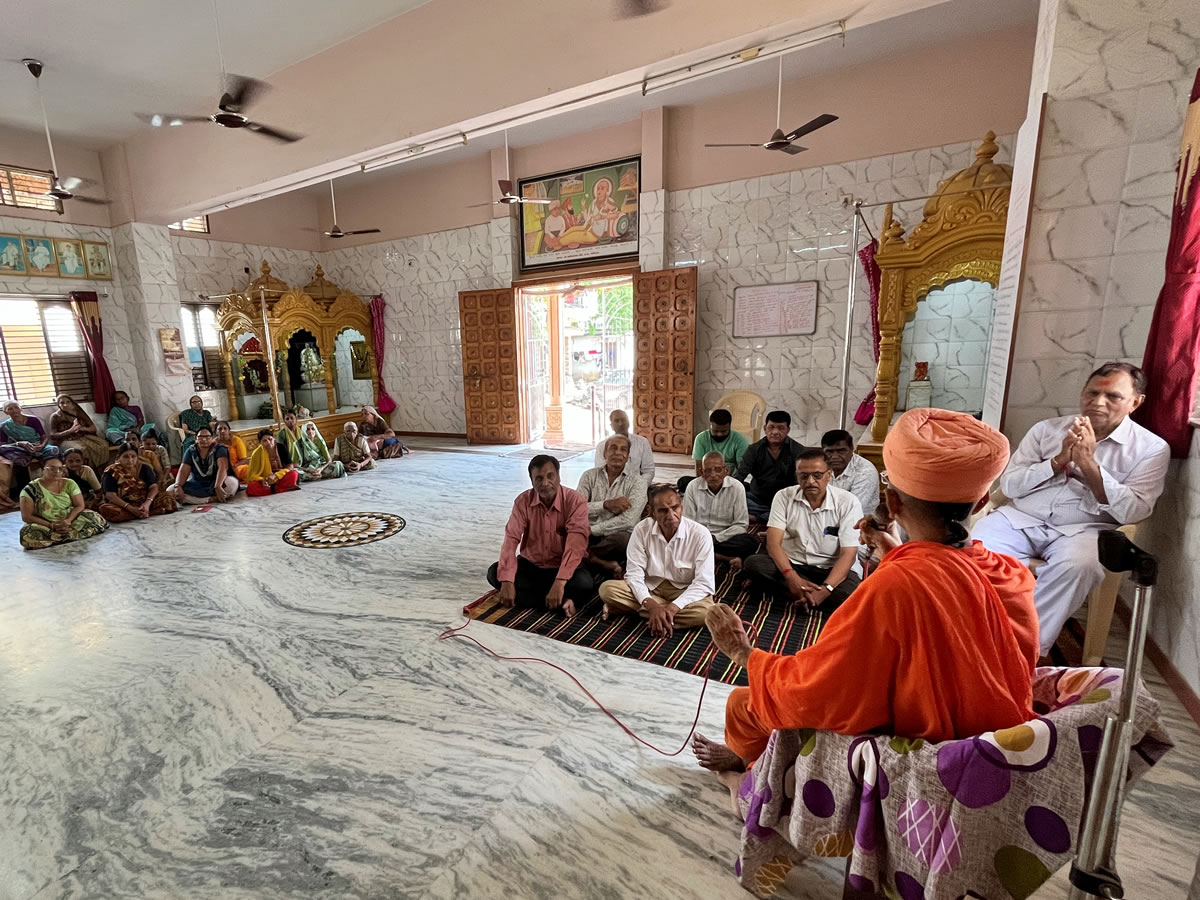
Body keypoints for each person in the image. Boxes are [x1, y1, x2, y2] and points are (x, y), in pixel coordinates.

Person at [693, 408, 1039, 783]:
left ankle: (746, 775)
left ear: (892, 503)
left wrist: (744, 653)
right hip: (998, 737)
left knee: (744, 703)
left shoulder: (891, 587)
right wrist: (892, 549)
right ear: (983, 499)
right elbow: (946, 584)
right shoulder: (1010, 574)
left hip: (931, 749)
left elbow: (817, 690)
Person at [973, 362, 1170, 653]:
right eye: (1091, 393)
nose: (1097, 403)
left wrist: (1090, 465)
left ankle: (1022, 649)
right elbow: (1011, 486)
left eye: (1113, 397)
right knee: (972, 551)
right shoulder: (1046, 431)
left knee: (1079, 566)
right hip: (1020, 518)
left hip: (1086, 530)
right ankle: (974, 633)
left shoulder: (1151, 449)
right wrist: (1057, 462)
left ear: (1135, 402)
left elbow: (1134, 511)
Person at [743, 449, 863, 611]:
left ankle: (800, 594)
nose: (810, 481)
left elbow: (848, 554)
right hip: (793, 564)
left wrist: (826, 590)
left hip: (829, 568)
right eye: (803, 476)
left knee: (850, 595)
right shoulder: (783, 497)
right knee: (753, 564)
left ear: (829, 475)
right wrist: (791, 576)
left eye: (817, 475)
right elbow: (773, 543)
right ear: (796, 476)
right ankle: (803, 592)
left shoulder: (848, 502)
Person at [599, 485, 717, 636]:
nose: (671, 515)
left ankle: (653, 616)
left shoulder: (700, 534)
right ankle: (664, 617)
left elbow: (703, 583)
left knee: (707, 613)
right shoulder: (641, 530)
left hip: (684, 590)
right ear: (652, 513)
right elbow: (634, 575)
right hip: (651, 587)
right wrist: (652, 605)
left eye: (675, 508)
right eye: (663, 510)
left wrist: (672, 608)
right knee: (607, 590)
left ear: (682, 507)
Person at [486, 454, 594, 616]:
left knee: (584, 584)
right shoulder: (523, 501)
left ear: (558, 476)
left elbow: (575, 546)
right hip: (532, 565)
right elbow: (511, 539)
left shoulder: (575, 501)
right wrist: (507, 581)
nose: (545, 483)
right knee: (494, 573)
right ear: (531, 481)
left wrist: (559, 583)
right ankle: (561, 603)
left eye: (550, 476)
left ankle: (534, 597)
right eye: (539, 478)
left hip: (562, 567)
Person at [577, 434, 648, 577]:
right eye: (613, 448)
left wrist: (592, 530)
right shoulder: (589, 476)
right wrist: (605, 505)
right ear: (605, 453)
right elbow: (576, 508)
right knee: (562, 530)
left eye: (623, 450)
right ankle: (598, 562)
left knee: (624, 540)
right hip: (587, 530)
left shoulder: (638, 482)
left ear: (627, 456)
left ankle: (584, 557)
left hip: (612, 536)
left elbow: (629, 520)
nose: (617, 453)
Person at [18, 455, 109, 550]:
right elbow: (27, 517)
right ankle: (70, 535)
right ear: (42, 469)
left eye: (60, 468)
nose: (57, 472)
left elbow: (79, 505)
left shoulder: (70, 483)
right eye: (51, 468)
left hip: (69, 520)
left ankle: (56, 538)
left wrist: (68, 521)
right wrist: (51, 525)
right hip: (45, 523)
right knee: (27, 533)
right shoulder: (30, 489)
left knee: (94, 518)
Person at [683, 451, 757, 567]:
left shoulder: (737, 488)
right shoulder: (693, 487)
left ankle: (701, 553)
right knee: (681, 539)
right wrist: (703, 538)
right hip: (699, 537)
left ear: (726, 470)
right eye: (708, 470)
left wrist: (715, 538)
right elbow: (688, 522)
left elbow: (741, 525)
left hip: (725, 538)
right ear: (701, 472)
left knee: (749, 542)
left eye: (718, 469)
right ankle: (725, 557)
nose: (713, 475)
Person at [733, 410, 806, 521]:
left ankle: (759, 518)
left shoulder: (798, 450)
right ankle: (772, 517)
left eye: (781, 428)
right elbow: (739, 476)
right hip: (757, 499)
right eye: (771, 427)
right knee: (738, 502)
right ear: (765, 429)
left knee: (799, 508)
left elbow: (800, 482)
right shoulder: (753, 450)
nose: (775, 432)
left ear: (788, 430)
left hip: (785, 499)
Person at [99, 442, 178, 522]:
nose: (130, 460)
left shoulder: (144, 468)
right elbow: (110, 495)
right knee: (106, 510)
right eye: (126, 457)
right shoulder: (111, 472)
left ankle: (142, 512)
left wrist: (147, 503)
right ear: (119, 457)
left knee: (167, 498)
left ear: (137, 457)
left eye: (133, 457)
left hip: (145, 502)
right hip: (123, 505)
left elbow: (154, 487)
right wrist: (131, 508)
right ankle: (151, 513)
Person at [1, 400, 58, 507]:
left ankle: (52, 484)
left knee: (54, 450)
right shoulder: (5, 426)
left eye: (16, 407)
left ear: (20, 408)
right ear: (5, 412)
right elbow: (2, 445)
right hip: (21, 449)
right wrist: (19, 443)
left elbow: (44, 437)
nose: (14, 410)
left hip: (38, 446)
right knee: (10, 454)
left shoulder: (33, 419)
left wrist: (41, 446)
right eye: (10, 409)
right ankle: (27, 492)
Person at [168, 426, 238, 504]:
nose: (204, 439)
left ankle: (195, 500)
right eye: (200, 437)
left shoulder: (219, 448)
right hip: (197, 484)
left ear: (212, 438)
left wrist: (218, 485)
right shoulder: (190, 451)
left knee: (232, 483)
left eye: (207, 437)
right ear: (196, 439)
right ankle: (210, 499)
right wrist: (178, 486)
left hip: (216, 482)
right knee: (170, 491)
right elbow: (183, 470)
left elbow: (223, 468)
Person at [821, 429, 880, 516]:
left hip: (860, 523)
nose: (835, 457)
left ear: (852, 449)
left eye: (841, 451)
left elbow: (853, 508)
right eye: (829, 452)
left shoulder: (866, 471)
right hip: (825, 517)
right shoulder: (819, 466)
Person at [685, 408, 749, 486]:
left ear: (729, 427)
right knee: (683, 482)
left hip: (729, 481)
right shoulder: (701, 438)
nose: (719, 434)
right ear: (710, 426)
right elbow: (699, 468)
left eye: (723, 431)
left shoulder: (740, 440)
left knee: (746, 487)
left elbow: (741, 469)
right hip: (708, 480)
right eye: (715, 431)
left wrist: (730, 486)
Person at [48, 394, 110, 469]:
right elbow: (53, 435)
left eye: (68, 402)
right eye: (62, 403)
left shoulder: (79, 412)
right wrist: (70, 430)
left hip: (83, 436)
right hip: (66, 440)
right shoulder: (55, 416)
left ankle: (101, 469)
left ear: (72, 403)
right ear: (58, 405)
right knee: (81, 450)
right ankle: (86, 471)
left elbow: (93, 428)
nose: (65, 404)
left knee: (103, 445)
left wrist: (82, 428)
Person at [593, 409, 655, 481]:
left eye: (623, 420)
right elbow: (599, 472)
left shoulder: (642, 442)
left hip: (636, 486)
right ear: (611, 426)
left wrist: (638, 486)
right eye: (616, 421)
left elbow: (649, 471)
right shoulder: (602, 446)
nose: (620, 423)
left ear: (629, 422)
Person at [246, 429, 301, 497]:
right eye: (264, 441)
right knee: (252, 486)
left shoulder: (281, 447)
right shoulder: (256, 453)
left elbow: (290, 466)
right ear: (260, 443)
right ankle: (280, 488)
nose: (268, 442)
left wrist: (276, 475)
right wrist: (262, 481)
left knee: (294, 474)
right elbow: (253, 474)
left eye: (270, 439)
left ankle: (272, 490)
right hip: (265, 479)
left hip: (280, 477)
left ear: (274, 439)